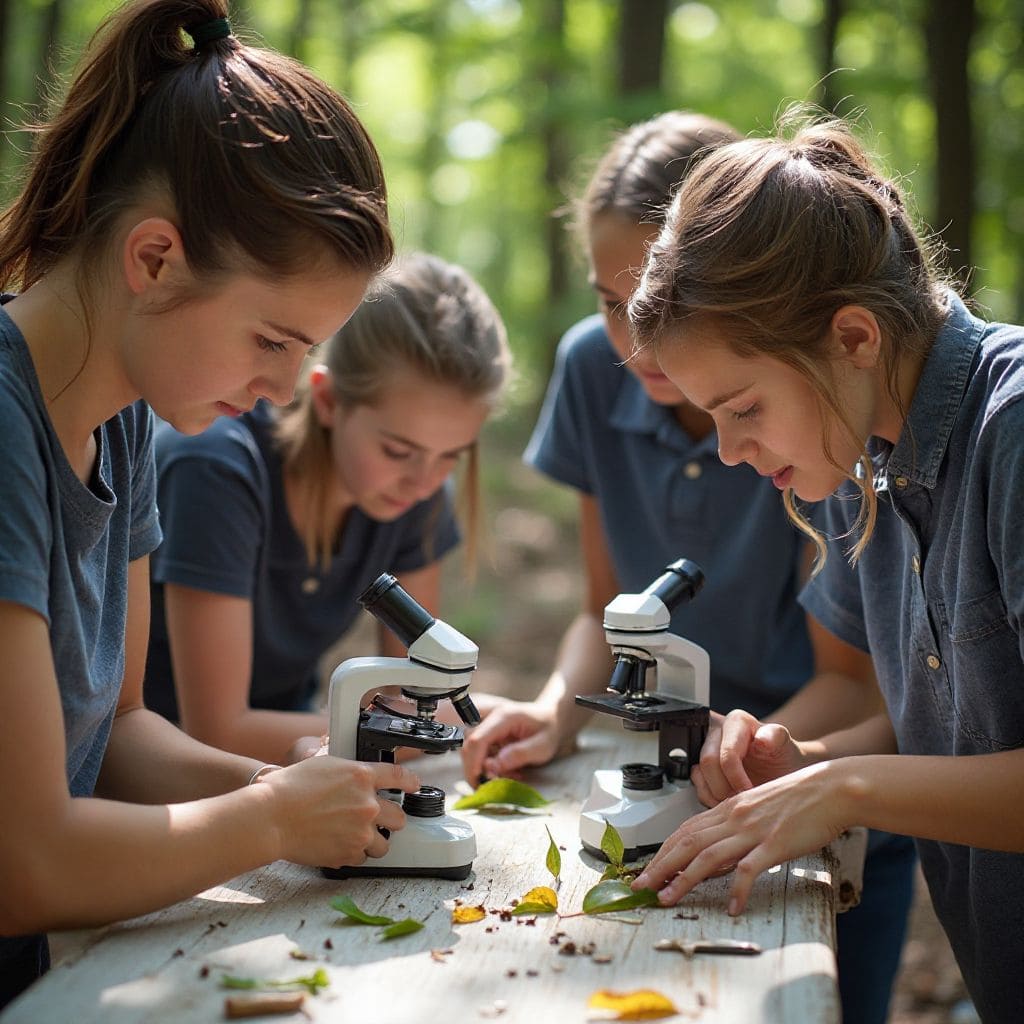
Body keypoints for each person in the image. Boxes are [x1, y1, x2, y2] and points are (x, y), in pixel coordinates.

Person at [0, 0, 424, 1008]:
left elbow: (119, 736)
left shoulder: (129, 414)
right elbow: (27, 863)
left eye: (304, 353)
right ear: (154, 259)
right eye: (271, 340)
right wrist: (273, 817)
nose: (281, 392)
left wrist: (301, 795)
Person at [460, 111, 915, 1024]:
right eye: (607, 301)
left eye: (654, 303)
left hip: (820, 765)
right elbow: (603, 609)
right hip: (713, 772)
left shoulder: (821, 413)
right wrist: (555, 713)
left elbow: (866, 695)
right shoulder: (602, 374)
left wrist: (765, 770)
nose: (638, 342)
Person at [625, 111, 1024, 1023]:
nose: (729, 452)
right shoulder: (858, 453)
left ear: (852, 337)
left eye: (742, 407)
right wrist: (797, 757)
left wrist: (836, 789)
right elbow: (908, 709)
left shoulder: (1014, 431)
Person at [143, 252, 511, 764]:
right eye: (398, 451)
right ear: (329, 401)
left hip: (297, 756)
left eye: (450, 456)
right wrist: (458, 731)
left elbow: (416, 695)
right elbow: (218, 728)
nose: (426, 482)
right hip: (161, 780)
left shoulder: (413, 494)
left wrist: (502, 719)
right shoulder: (218, 467)